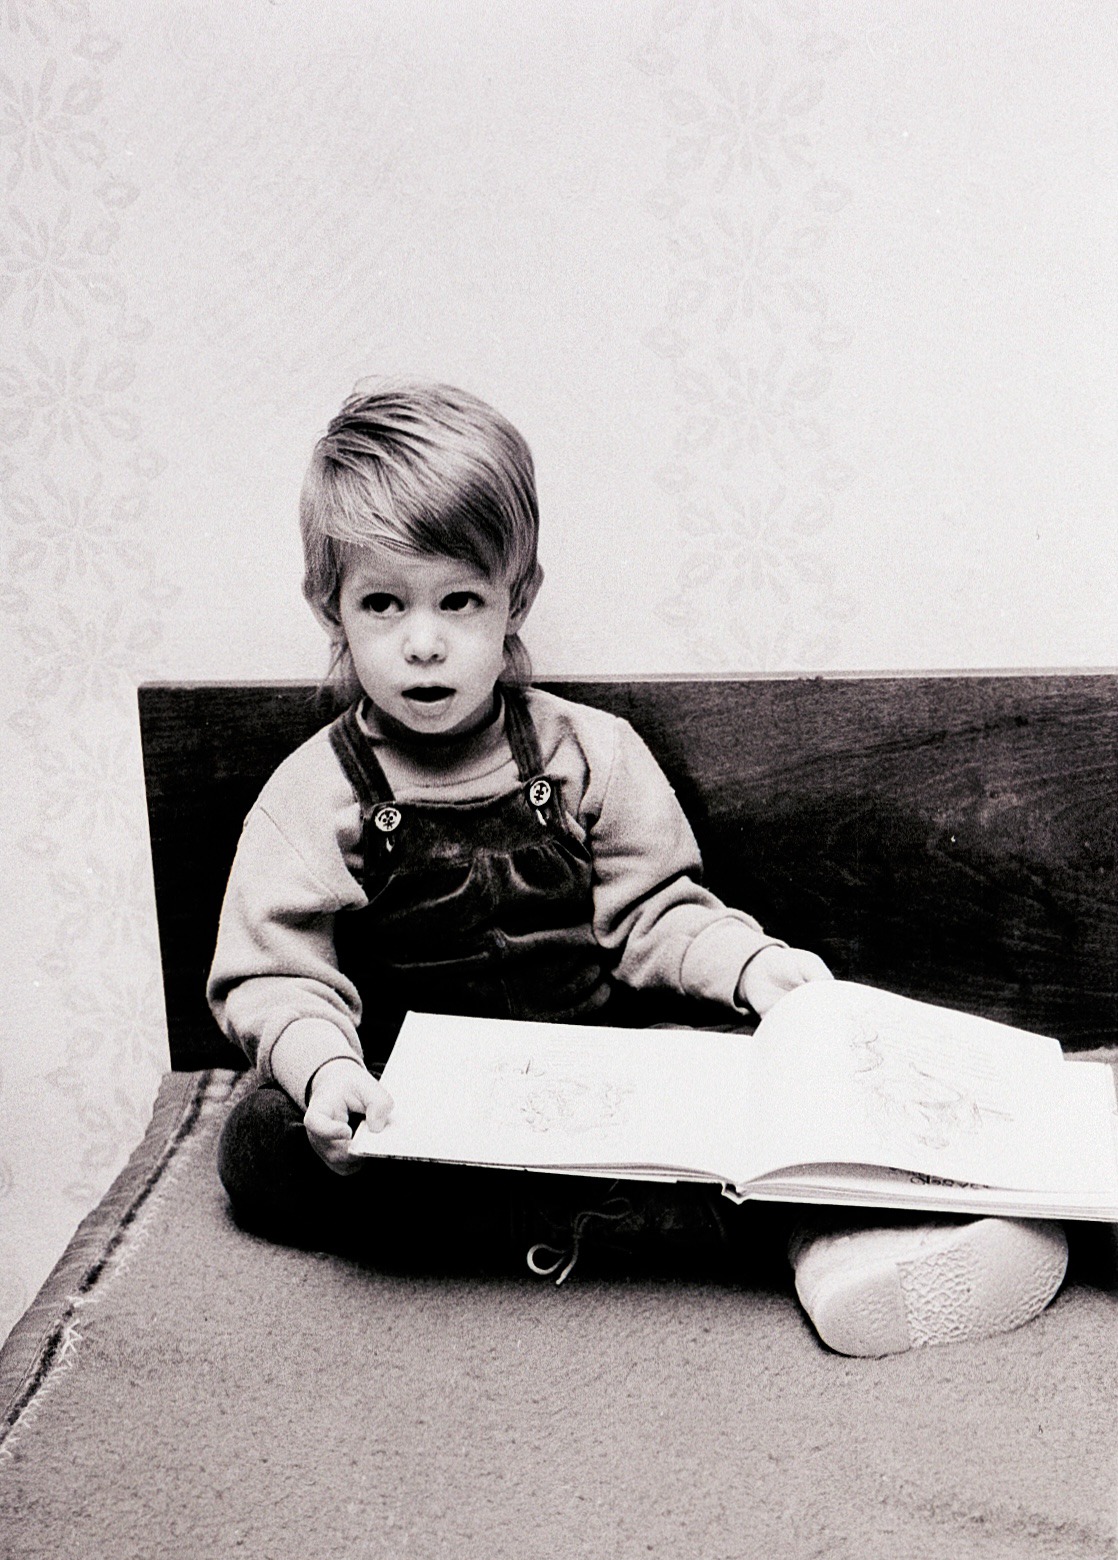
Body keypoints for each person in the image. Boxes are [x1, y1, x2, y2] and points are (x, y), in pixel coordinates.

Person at [208, 381, 1068, 1356]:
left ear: (515, 598)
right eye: (382, 604)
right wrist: (326, 1073)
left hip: (593, 1083)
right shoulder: (313, 790)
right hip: (417, 1110)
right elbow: (274, 971)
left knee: (747, 1086)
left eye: (459, 600)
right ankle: (634, 1232)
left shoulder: (590, 752)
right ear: (332, 608)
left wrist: (749, 966)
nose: (423, 640)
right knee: (258, 1140)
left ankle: (851, 1237)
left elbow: (656, 914)